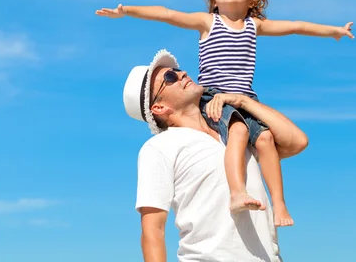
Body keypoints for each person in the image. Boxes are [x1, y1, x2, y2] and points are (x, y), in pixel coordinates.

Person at [99, 0, 353, 226]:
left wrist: (333, 31)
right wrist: (126, 11)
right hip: (213, 96)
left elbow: (297, 26)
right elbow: (167, 14)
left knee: (265, 139)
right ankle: (237, 192)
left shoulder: (254, 26)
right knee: (239, 132)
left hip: (245, 98)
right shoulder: (208, 22)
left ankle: (279, 206)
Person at [123, 49, 308, 262]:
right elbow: (153, 230)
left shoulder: (231, 132)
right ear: (158, 107)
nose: (181, 74)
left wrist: (244, 102)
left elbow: (296, 141)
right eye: (170, 77)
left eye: (177, 70)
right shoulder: (159, 147)